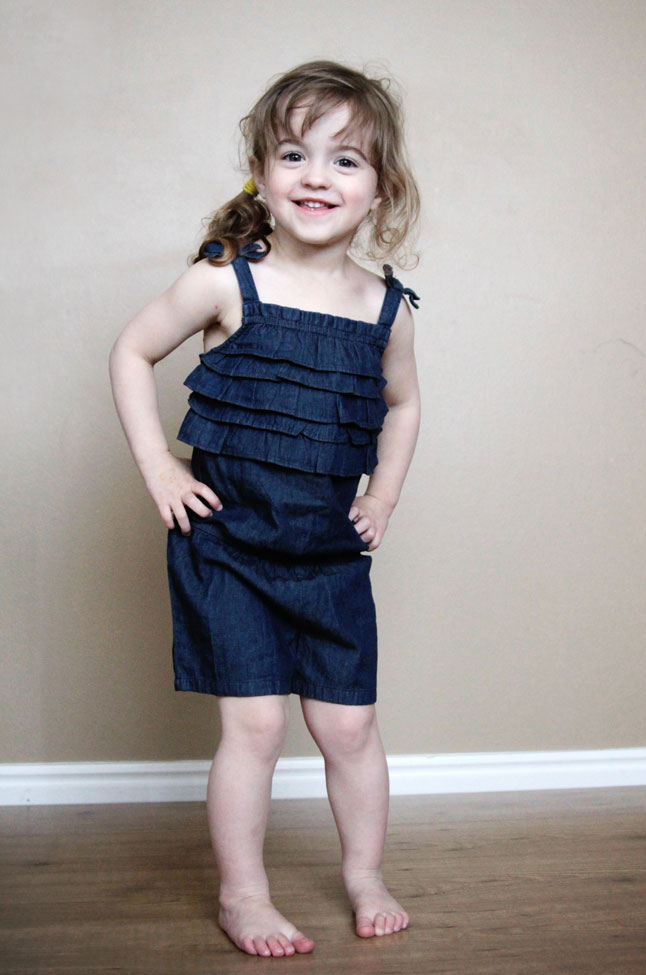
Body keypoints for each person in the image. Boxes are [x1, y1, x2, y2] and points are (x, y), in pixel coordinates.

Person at [109, 59, 421, 958]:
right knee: (254, 725)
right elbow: (131, 352)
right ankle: (243, 893)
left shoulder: (386, 308)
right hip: (231, 549)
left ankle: (363, 873)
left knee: (349, 725)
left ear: (380, 190)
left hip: (328, 555)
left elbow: (404, 404)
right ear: (261, 170)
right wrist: (158, 469)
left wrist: (385, 493)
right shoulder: (223, 280)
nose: (316, 175)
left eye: (345, 160)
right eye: (294, 152)